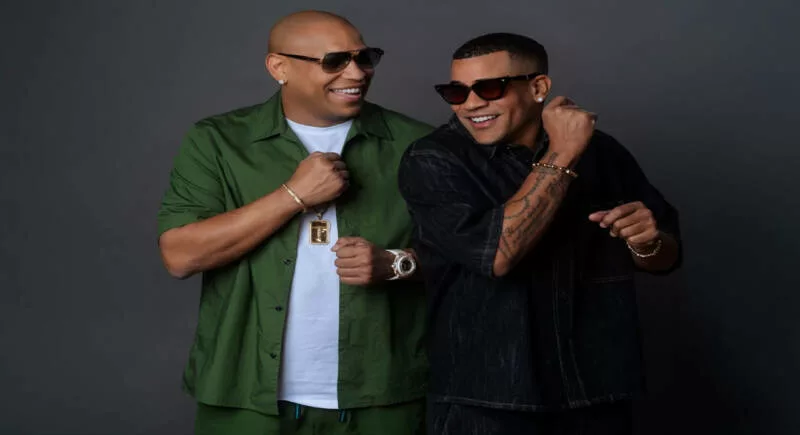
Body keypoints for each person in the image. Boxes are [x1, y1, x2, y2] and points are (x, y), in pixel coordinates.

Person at [157, 10, 431, 435]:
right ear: (279, 67)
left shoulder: (419, 144)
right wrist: (293, 196)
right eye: (335, 61)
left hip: (384, 394)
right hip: (245, 395)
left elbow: (477, 257)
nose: (357, 73)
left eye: (365, 57)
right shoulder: (218, 141)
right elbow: (179, 256)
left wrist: (397, 264)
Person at [398, 32, 682, 434]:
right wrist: (562, 154)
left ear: (538, 88)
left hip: (595, 390)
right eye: (456, 92)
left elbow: (666, 258)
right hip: (487, 397)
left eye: (489, 88)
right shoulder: (432, 159)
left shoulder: (601, 150)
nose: (471, 104)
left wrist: (647, 242)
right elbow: (496, 255)